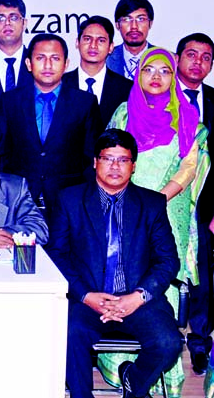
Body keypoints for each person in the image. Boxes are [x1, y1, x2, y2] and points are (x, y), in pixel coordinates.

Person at [46, 128, 182, 398]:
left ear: (133, 166)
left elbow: (168, 260)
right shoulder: (69, 200)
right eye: (108, 158)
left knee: (169, 344)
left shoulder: (151, 204)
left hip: (138, 299)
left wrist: (137, 297)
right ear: (95, 162)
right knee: (70, 334)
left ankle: (134, 381)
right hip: (87, 298)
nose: (115, 166)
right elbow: (57, 255)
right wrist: (85, 295)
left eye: (123, 160)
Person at [104, 47, 209, 395]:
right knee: (121, 277)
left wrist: (154, 200)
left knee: (159, 285)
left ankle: (157, 371)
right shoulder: (123, 113)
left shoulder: (188, 117)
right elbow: (112, 161)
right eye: (149, 69)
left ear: (172, 76)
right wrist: (132, 201)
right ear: (139, 74)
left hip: (166, 214)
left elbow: (189, 168)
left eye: (164, 71)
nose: (156, 76)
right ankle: (121, 367)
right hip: (122, 214)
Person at [0, 33, 98, 216]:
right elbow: (2, 153)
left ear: (66, 64)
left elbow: (90, 159)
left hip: (68, 201)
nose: (48, 65)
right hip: (19, 201)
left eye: (55, 58)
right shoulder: (9, 101)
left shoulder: (84, 103)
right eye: (40, 58)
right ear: (28, 64)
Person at [175, 32, 214, 374]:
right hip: (163, 203)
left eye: (206, 57)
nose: (198, 62)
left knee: (202, 277)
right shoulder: (157, 97)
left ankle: (199, 341)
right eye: (191, 54)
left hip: (204, 208)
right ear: (177, 59)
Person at [62, 15, 133, 129]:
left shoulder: (127, 88)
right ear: (77, 43)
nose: (93, 45)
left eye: (101, 40)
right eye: (87, 39)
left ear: (110, 47)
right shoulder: (61, 84)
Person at [106, 0, 156, 80]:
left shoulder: (167, 59)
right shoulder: (106, 59)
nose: (134, 26)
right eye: (127, 19)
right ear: (117, 25)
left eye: (141, 19)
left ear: (150, 23)